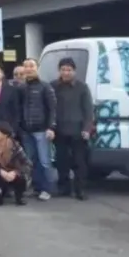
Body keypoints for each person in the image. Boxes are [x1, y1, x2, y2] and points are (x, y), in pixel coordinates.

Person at [11, 59, 56, 198]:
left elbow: (52, 109)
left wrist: (51, 127)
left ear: (37, 68)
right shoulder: (21, 88)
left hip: (42, 130)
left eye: (32, 66)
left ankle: (47, 189)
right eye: (26, 66)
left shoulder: (45, 86)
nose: (29, 69)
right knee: (31, 161)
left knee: (45, 161)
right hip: (26, 131)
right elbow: (17, 109)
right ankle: (37, 187)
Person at [52, 58, 94, 198]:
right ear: (59, 71)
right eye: (63, 69)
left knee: (79, 162)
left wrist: (87, 129)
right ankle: (64, 188)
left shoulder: (82, 87)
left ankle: (80, 189)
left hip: (78, 131)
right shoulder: (53, 86)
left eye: (69, 70)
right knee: (61, 161)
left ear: (74, 71)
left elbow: (88, 110)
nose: (66, 72)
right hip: (59, 130)